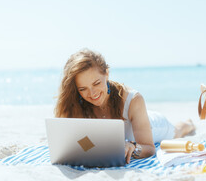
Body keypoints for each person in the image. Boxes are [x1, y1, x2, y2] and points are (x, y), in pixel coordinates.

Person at [55, 48, 195, 164]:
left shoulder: (133, 99)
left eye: (96, 83)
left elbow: (150, 148)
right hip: (137, 119)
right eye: (83, 89)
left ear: (107, 74)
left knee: (177, 131)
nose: (92, 94)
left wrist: (132, 147)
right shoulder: (78, 103)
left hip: (155, 125)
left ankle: (188, 124)